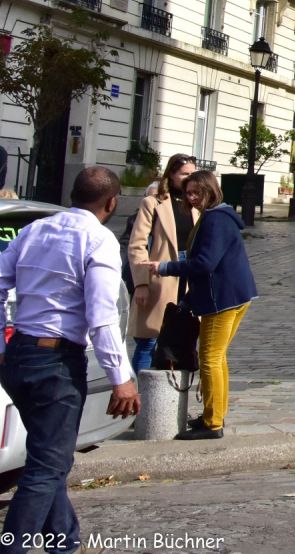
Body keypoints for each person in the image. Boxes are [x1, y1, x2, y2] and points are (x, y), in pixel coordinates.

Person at [0, 166, 140, 553]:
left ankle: (64, 542)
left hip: (20, 356)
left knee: (49, 456)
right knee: (47, 465)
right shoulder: (99, 240)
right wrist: (120, 377)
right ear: (111, 203)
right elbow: (102, 315)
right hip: (57, 364)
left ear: (73, 195)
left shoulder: (34, 230)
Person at [142, 170, 257, 440]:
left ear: (211, 190)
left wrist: (165, 267)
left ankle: (213, 422)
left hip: (223, 298)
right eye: (188, 193)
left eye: (197, 192)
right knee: (217, 357)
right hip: (234, 294)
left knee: (210, 357)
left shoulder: (215, 219)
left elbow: (205, 263)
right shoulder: (218, 215)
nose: (192, 198)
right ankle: (215, 414)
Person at [127, 153, 198, 372]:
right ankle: (142, 396)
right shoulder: (153, 202)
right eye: (184, 174)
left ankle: (169, 397)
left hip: (188, 274)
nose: (189, 178)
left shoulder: (196, 204)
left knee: (181, 337)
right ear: (172, 174)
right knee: (149, 340)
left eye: (193, 174)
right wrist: (141, 283)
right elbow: (137, 244)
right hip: (160, 274)